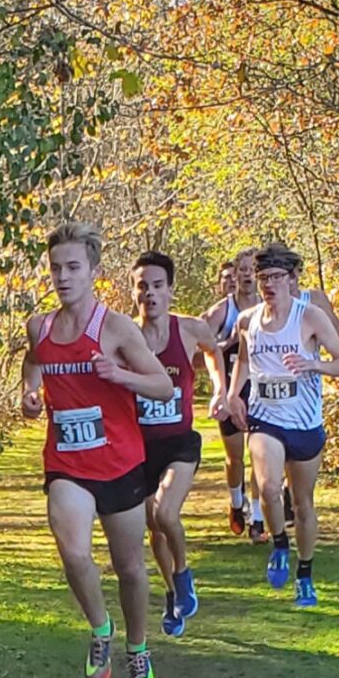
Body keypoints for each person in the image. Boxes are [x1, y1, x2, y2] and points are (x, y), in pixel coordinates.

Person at [21, 222, 173, 678]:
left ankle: (138, 646)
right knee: (73, 552)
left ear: (92, 271)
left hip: (120, 463)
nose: (62, 277)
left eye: (72, 267)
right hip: (67, 463)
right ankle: (100, 629)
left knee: (130, 568)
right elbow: (33, 362)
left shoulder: (115, 328)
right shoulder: (40, 326)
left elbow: (162, 385)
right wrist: (28, 392)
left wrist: (120, 375)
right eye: (55, 268)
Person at [227, 243, 339, 608]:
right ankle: (279, 546)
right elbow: (245, 362)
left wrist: (315, 365)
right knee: (268, 489)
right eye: (263, 277)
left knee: (302, 504)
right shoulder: (247, 320)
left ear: (293, 279)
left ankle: (305, 574)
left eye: (276, 277)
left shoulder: (310, 317)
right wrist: (234, 395)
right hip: (265, 418)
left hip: (305, 422)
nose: (268, 285)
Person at [131, 251, 228, 638]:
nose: (150, 294)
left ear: (170, 290)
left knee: (165, 512)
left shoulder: (188, 329)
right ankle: (172, 594)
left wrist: (220, 389)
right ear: (133, 291)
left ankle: (184, 573)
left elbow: (214, 352)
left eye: (157, 286)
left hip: (179, 443)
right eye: (143, 286)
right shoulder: (124, 335)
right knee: (153, 527)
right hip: (137, 448)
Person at [202, 249, 264, 538]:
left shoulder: (270, 306)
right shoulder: (222, 311)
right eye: (243, 270)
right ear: (235, 275)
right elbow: (201, 348)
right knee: (236, 456)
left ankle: (258, 516)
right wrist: (228, 342)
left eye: (254, 270)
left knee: (260, 454)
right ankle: (236, 503)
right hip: (230, 388)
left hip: (260, 391)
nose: (249, 275)